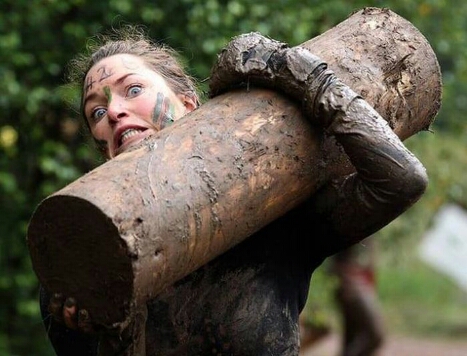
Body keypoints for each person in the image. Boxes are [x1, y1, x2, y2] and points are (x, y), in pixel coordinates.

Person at [39, 27, 428, 355]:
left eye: (133, 89)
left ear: (189, 104)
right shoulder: (89, 261)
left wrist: (305, 76)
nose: (115, 112)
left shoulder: (268, 213)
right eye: (97, 112)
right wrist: (96, 333)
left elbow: (399, 181)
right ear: (102, 146)